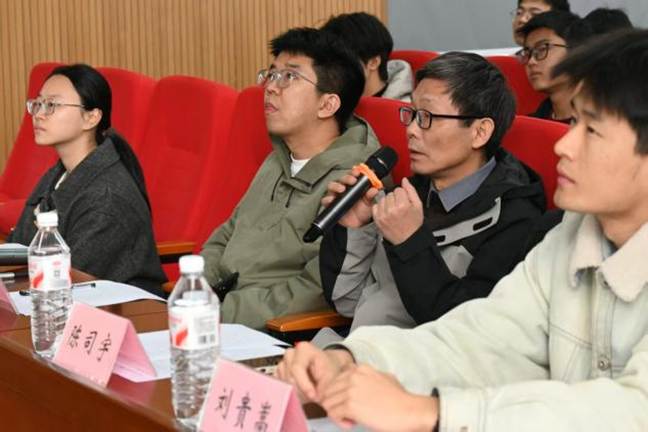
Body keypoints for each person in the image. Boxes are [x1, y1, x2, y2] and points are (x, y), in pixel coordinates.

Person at [277, 29, 648, 432]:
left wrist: (432, 413)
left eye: (591, 130)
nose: (563, 145)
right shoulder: (568, 235)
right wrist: (350, 360)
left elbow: (633, 408)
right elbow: (477, 338)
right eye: (573, 121)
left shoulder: (520, 216)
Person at [314, 52, 546, 345]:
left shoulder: (515, 219)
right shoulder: (410, 193)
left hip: (415, 365)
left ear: (480, 132)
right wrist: (355, 229)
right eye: (411, 114)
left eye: (427, 118)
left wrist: (410, 243)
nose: (411, 130)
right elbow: (348, 302)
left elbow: (465, 335)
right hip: (357, 349)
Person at [200, 28, 380, 330]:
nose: (271, 87)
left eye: (289, 77)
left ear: (327, 105)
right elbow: (227, 233)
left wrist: (219, 312)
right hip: (217, 315)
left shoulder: (352, 184)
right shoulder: (278, 159)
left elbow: (314, 290)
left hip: (275, 333)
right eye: (271, 75)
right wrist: (196, 292)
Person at [8, 64, 166, 295]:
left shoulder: (107, 198)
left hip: (120, 310)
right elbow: (19, 245)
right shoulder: (60, 174)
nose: (39, 114)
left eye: (52, 105)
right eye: (38, 103)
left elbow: (69, 279)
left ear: (91, 118)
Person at [321, 12, 413, 102]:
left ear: (373, 62)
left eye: (341, 62)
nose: (331, 72)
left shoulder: (404, 110)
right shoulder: (331, 103)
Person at [518, 11, 592, 122]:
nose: (531, 61)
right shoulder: (530, 125)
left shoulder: (605, 124)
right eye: (527, 53)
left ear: (576, 52)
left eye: (542, 49)